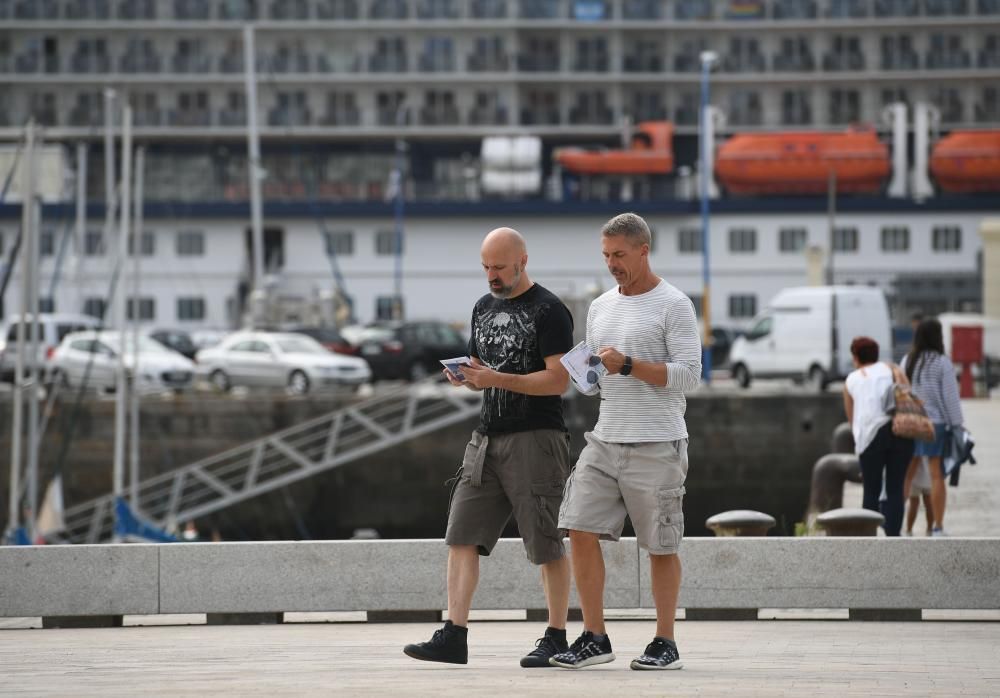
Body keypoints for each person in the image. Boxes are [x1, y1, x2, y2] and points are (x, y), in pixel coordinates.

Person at [403, 227, 575, 667]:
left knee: (546, 541)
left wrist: (495, 378)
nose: (492, 276)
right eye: (485, 267)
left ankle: (556, 636)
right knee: (461, 534)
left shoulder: (550, 310)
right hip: (486, 437)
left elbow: (559, 379)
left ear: (522, 260)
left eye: (499, 267)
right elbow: (482, 367)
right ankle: (454, 635)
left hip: (536, 438)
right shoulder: (482, 307)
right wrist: (466, 375)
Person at [550, 213, 701, 671]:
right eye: (606, 255)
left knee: (660, 544)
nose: (612, 263)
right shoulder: (599, 306)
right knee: (577, 527)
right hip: (605, 437)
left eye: (619, 255)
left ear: (643, 250)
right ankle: (595, 636)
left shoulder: (674, 304)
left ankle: (665, 641)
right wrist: (587, 375)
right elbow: (598, 379)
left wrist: (630, 364)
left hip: (657, 441)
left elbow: (689, 376)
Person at [843, 336, 915, 536]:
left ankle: (869, 536)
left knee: (871, 490)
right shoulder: (890, 370)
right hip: (900, 431)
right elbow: (908, 393)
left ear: (855, 356)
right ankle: (893, 535)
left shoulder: (852, 379)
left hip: (871, 438)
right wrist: (895, 370)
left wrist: (860, 446)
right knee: (895, 488)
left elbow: (852, 419)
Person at [902, 318, 964, 536]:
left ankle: (898, 525)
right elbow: (950, 398)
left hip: (910, 423)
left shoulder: (907, 361)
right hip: (934, 424)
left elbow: (901, 391)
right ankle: (937, 526)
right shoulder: (942, 362)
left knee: (907, 474)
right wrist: (957, 425)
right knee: (936, 475)